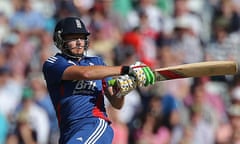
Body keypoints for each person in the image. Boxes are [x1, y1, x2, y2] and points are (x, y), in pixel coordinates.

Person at [42, 16, 155, 144]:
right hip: (69, 131)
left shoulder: (97, 62)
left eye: (82, 37)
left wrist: (121, 90)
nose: (79, 42)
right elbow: (86, 73)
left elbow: (117, 104)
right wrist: (127, 69)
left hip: (95, 124)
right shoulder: (54, 63)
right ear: (60, 39)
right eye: (73, 37)